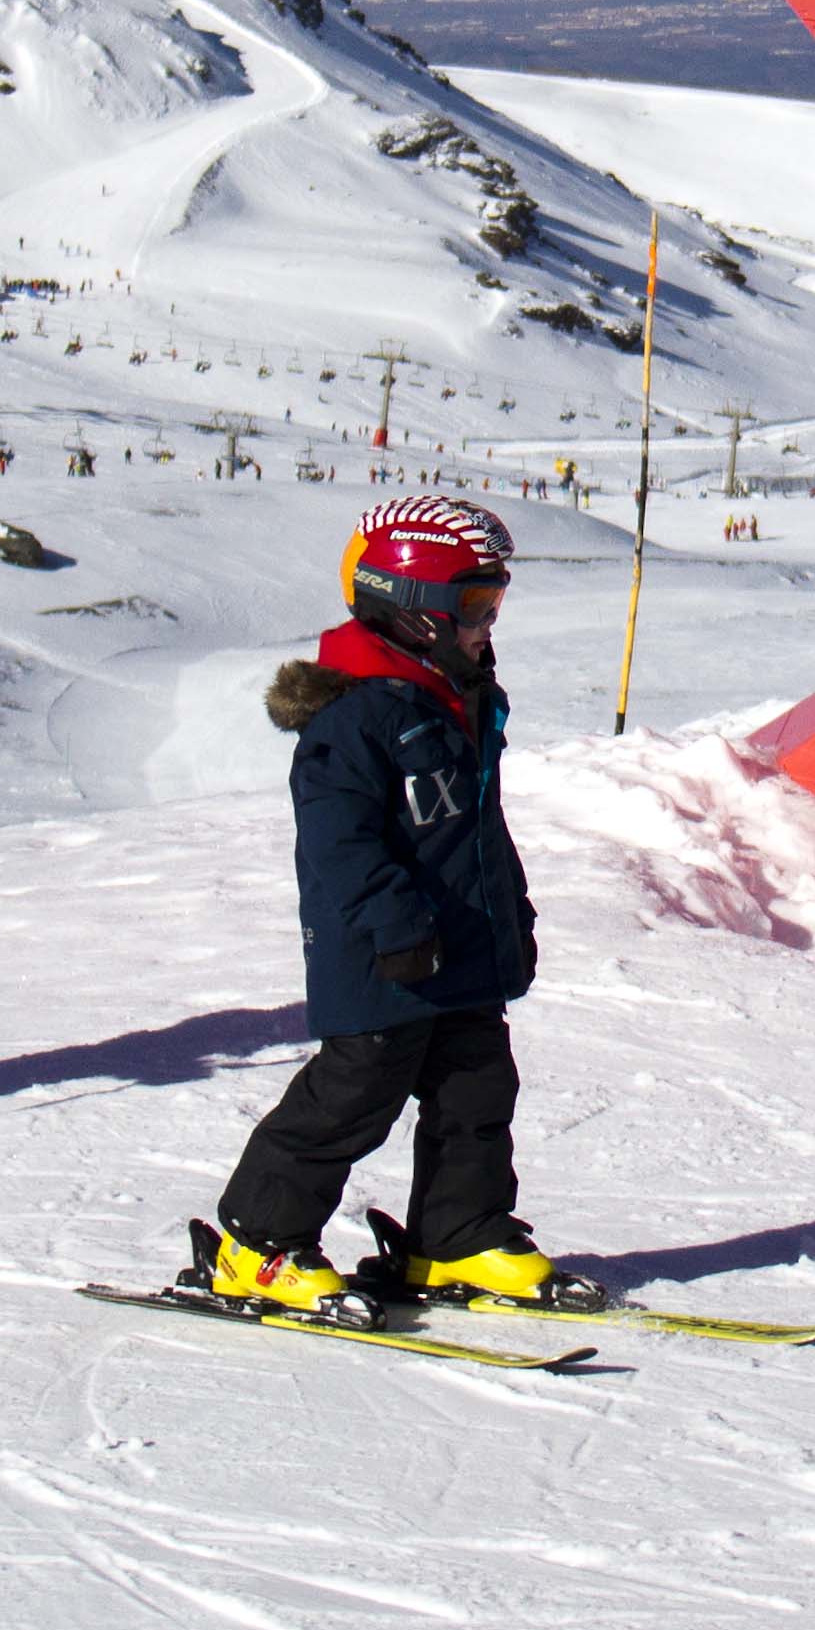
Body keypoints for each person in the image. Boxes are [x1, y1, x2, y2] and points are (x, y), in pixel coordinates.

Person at [192, 498, 591, 1317]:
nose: (487, 625)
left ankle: (457, 1241)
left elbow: (477, 824)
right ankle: (255, 1246)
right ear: (411, 612)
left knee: (476, 1090)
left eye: (494, 606)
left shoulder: (459, 694)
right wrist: (397, 926)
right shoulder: (357, 713)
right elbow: (340, 846)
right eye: (474, 609)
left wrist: (509, 911)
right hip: (384, 949)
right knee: (354, 1092)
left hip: (463, 942)